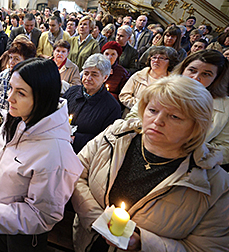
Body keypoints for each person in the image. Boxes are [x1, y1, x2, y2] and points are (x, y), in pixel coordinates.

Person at [71, 75, 229, 252]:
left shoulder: (215, 184)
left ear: (196, 125)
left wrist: (142, 243)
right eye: (153, 110)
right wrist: (97, 220)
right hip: (85, 243)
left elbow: (208, 248)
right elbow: (75, 173)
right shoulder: (115, 135)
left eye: (174, 116)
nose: (158, 121)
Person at [0, 58, 83, 252]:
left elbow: (41, 216)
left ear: (42, 97)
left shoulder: (55, 154)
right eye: (10, 88)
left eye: (20, 93)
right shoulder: (15, 120)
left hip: (23, 234)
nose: (9, 98)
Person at [173, 50, 229, 171]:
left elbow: (225, 146)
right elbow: (134, 118)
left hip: (192, 165)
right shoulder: (160, 88)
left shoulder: (226, 106)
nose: (195, 78)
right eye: (192, 70)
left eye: (206, 74)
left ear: (216, 79)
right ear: (183, 69)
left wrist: (195, 151)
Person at [0, 35, 36, 145]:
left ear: (27, 61)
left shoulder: (29, 84)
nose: (11, 61)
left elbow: (24, 120)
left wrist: (0, 120)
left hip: (10, 139)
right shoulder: (3, 75)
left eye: (16, 59)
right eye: (10, 57)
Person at [63, 54, 121, 153]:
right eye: (86, 73)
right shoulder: (72, 92)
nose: (88, 78)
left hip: (84, 154)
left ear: (105, 78)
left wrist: (76, 139)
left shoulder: (112, 107)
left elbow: (106, 139)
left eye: (94, 74)